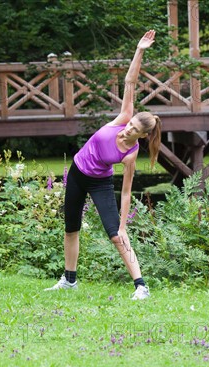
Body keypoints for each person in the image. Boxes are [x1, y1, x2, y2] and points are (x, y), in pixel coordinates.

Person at [45, 30, 161, 300]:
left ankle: (141, 286)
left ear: (141, 136)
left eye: (133, 131)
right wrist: (140, 50)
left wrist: (122, 224)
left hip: (99, 182)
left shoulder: (130, 154)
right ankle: (69, 280)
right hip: (76, 173)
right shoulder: (122, 117)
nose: (126, 130)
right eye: (129, 125)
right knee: (70, 227)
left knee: (116, 235)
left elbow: (126, 192)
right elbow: (130, 81)